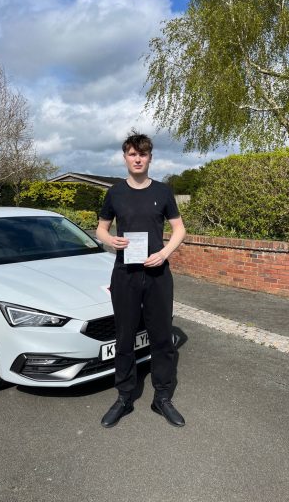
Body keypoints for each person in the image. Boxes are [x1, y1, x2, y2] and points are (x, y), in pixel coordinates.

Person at [96, 131, 186, 428]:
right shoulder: (115, 193)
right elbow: (101, 229)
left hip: (158, 275)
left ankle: (162, 397)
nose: (138, 159)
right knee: (124, 338)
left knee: (162, 337)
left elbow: (179, 230)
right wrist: (110, 240)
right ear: (125, 157)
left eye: (143, 154)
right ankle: (124, 397)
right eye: (132, 154)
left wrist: (164, 253)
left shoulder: (163, 191)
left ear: (150, 157)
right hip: (126, 274)